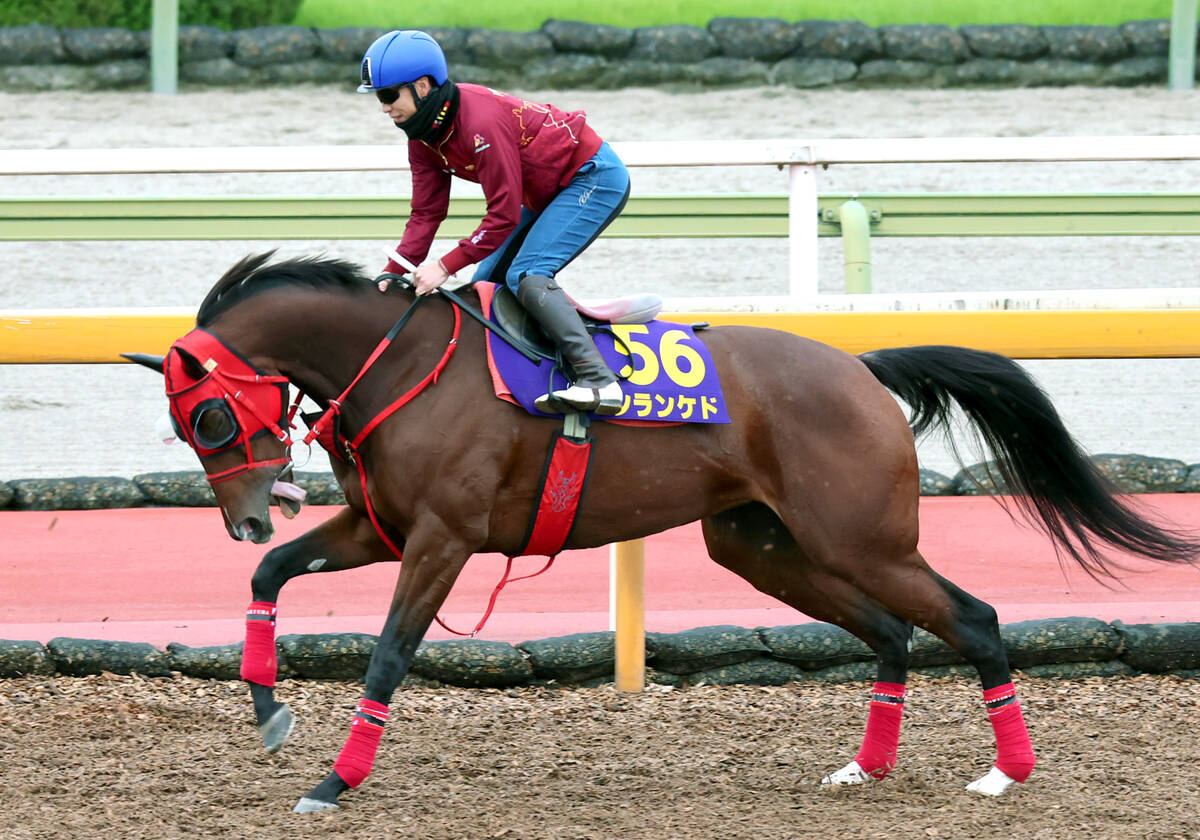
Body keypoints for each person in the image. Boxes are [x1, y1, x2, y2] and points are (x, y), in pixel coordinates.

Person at [360, 29, 630, 416]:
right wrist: (391, 274)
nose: (383, 107)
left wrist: (443, 266)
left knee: (528, 275)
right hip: (545, 192)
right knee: (485, 288)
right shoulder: (421, 136)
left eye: (387, 95)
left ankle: (598, 380)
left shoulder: (480, 122)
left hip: (592, 177)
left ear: (421, 87)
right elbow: (426, 212)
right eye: (377, 98)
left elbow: (502, 216)